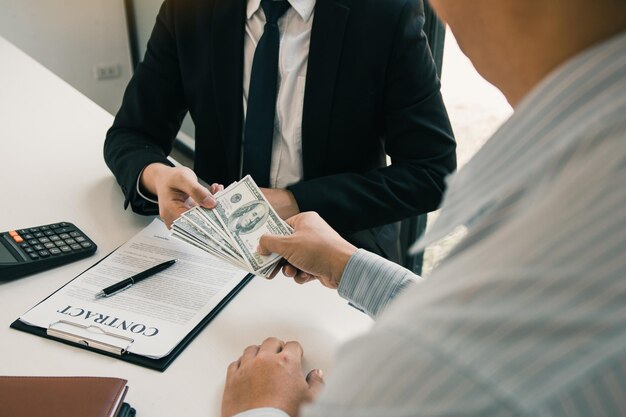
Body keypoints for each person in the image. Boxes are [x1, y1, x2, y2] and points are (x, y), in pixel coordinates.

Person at [220, 0, 626, 416]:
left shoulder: (423, 374)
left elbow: (466, 346)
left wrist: (262, 410)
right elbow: (477, 332)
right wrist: (347, 265)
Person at [103, 0, 457, 263]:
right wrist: (157, 176)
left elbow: (432, 173)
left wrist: (295, 201)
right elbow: (131, 133)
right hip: (219, 247)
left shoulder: (385, 12)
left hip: (340, 250)